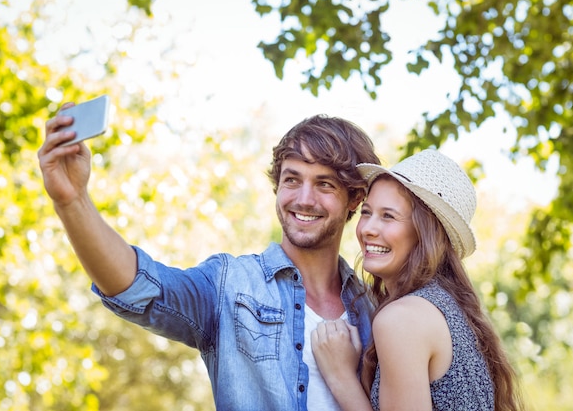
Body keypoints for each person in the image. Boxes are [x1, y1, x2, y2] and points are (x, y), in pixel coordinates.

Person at [38, 105, 381, 411]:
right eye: (292, 179)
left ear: (354, 199)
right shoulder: (228, 284)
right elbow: (136, 287)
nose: (304, 199)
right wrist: (72, 202)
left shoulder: (377, 308)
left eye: (325, 185)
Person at [311, 149, 525, 411]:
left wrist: (340, 378)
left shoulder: (402, 319)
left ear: (425, 233)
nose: (367, 228)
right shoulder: (446, 307)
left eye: (388, 216)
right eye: (367, 212)